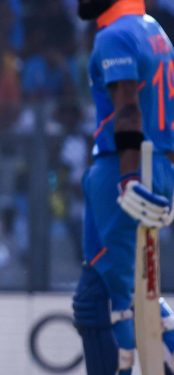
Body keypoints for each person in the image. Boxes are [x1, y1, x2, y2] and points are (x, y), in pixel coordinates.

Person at [72, 1, 174, 374]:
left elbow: (128, 109)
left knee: (120, 301)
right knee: (107, 297)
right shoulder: (155, 30)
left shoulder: (116, 35)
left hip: (122, 168)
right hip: (153, 163)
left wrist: (130, 178)